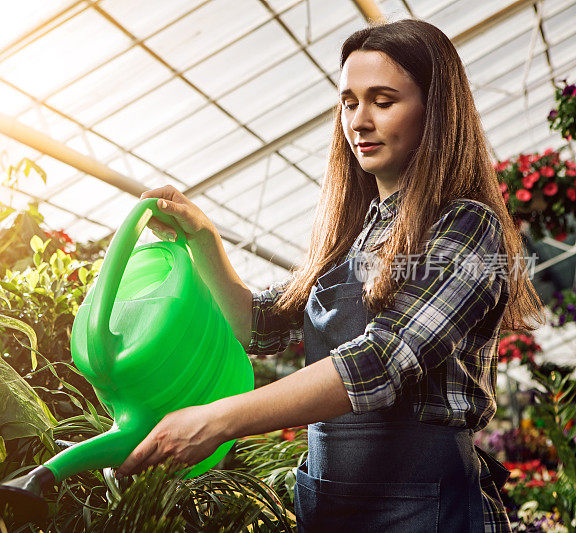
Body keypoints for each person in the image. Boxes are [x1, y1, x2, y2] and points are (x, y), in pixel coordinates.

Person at [115, 19, 544, 532]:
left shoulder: (468, 226)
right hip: (334, 502)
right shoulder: (352, 238)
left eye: (383, 101)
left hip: (422, 507)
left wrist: (221, 418)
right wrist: (204, 238)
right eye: (348, 102)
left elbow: (383, 359)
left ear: (436, 111)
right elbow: (255, 324)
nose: (359, 121)